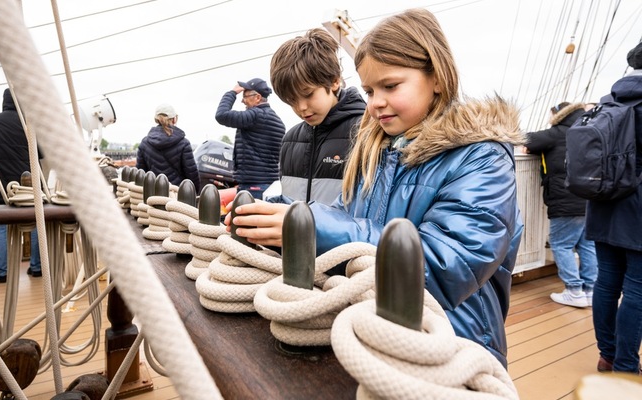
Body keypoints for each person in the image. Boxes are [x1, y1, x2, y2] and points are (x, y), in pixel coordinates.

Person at [227, 8, 525, 367]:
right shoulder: (379, 151)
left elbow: (449, 268)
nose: (375, 102)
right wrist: (286, 217)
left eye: (390, 86)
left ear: (438, 78)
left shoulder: (482, 159)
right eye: (369, 89)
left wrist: (315, 229)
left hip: (453, 346)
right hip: (377, 333)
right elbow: (344, 214)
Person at [588, 41, 642, 375]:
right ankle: (626, 365)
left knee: (606, 282)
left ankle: (607, 354)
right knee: (637, 288)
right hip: (638, 210)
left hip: (602, 202)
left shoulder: (608, 101)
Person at [268, 28, 366, 205]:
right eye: (291, 100)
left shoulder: (366, 132)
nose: (301, 108)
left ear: (335, 81)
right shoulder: (289, 140)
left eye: (308, 94)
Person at [524, 102, 597, 308]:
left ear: (558, 115)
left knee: (561, 244)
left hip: (566, 200)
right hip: (590, 199)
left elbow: (526, 139)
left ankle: (574, 290)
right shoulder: (589, 130)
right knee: (587, 244)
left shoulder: (557, 132)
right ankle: (590, 291)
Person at [0, 88, 42, 282]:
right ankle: (37, 267)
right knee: (34, 225)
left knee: (0, 227)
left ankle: (3, 273)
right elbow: (40, 153)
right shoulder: (27, 124)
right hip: (25, 184)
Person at [215, 77, 285, 199]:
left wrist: (232, 93)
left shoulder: (255, 115)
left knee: (246, 218)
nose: (242, 101)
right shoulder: (278, 121)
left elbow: (221, 115)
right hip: (269, 184)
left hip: (253, 187)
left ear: (257, 97)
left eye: (245, 96)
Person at [136, 104, 200, 187]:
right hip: (177, 195)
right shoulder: (184, 143)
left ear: (156, 119)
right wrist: (194, 192)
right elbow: (192, 174)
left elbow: (140, 174)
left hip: (152, 196)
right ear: (174, 119)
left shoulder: (144, 143)